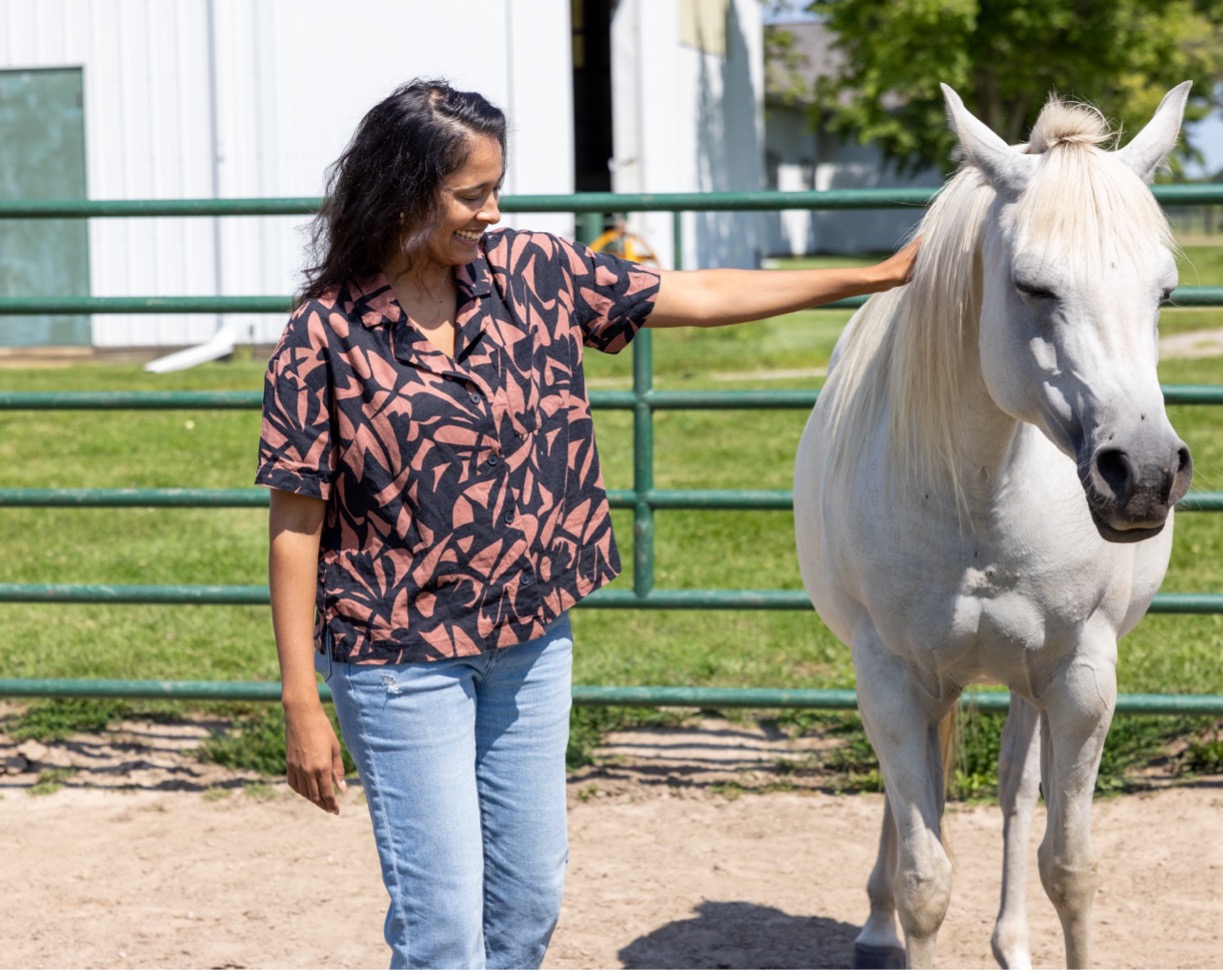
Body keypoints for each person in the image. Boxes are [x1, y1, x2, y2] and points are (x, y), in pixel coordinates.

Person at [257, 78, 918, 970]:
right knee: (442, 927)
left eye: (497, 188)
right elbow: (297, 525)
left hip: (530, 638)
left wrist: (869, 276)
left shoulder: (535, 271)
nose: (493, 211)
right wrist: (301, 696)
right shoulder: (324, 335)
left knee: (527, 906)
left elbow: (702, 294)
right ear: (404, 188)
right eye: (472, 195)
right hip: (398, 655)